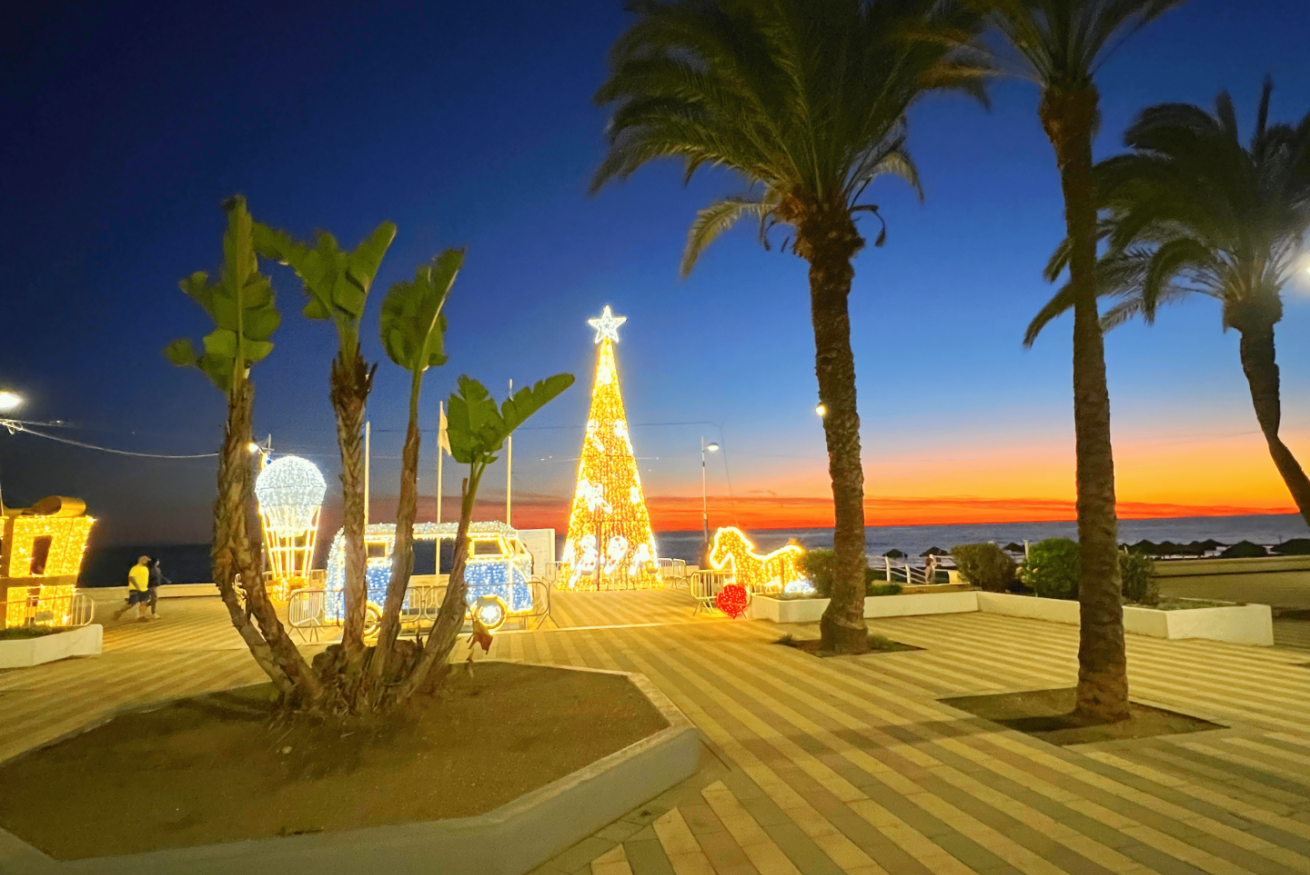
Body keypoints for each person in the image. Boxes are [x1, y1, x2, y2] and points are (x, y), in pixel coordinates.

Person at [114, 556, 152, 622]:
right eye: (147, 561)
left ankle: (142, 616)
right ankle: (119, 612)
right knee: (131, 603)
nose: (148, 562)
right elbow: (131, 578)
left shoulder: (146, 568)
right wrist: (137, 586)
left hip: (144, 589)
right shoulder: (135, 568)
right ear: (142, 560)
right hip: (135, 589)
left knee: (144, 603)